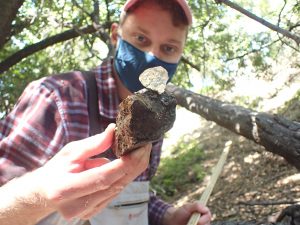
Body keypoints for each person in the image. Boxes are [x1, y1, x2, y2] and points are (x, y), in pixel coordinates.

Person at [0, 0, 212, 225]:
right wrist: (40, 195)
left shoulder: (156, 119)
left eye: (168, 48)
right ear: (115, 35)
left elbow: (130, 195)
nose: (152, 56)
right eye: (141, 38)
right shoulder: (56, 98)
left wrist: (168, 217)